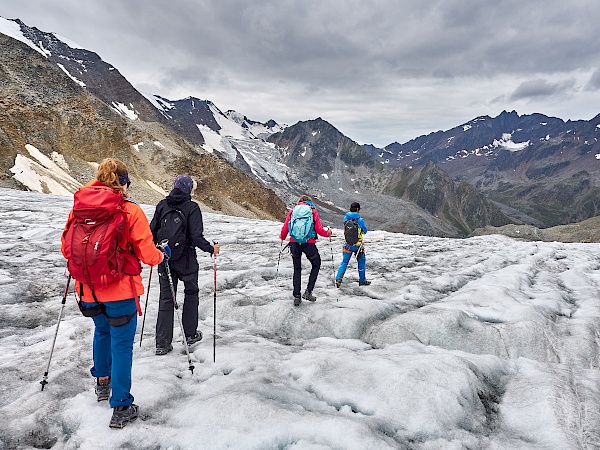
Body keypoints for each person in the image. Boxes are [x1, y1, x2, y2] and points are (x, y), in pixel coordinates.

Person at [61, 158, 165, 429]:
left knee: (102, 331)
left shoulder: (79, 208)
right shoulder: (129, 210)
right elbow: (147, 253)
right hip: (120, 290)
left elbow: (66, 247)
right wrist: (162, 255)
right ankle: (121, 405)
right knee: (121, 344)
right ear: (124, 181)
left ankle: (102, 382)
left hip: (88, 290)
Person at [150, 175, 220, 356]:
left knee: (166, 298)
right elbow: (196, 236)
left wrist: (155, 252)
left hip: (164, 258)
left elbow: (151, 232)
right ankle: (190, 334)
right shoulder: (192, 208)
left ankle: (162, 343)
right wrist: (211, 249)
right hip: (186, 260)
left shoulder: (162, 205)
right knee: (191, 293)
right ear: (189, 189)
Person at [279, 195, 332, 306]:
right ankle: (308, 291)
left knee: (297, 269)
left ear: (299, 202)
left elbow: (285, 228)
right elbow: (319, 229)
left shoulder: (293, 211)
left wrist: (282, 238)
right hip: (309, 244)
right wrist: (328, 233)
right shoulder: (312, 211)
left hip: (294, 243)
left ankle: (297, 296)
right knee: (316, 264)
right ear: (310, 202)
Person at [335, 202, 370, 287]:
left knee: (344, 262)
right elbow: (365, 231)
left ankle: (338, 279)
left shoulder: (345, 218)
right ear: (357, 209)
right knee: (361, 262)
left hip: (347, 244)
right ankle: (362, 281)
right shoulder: (360, 220)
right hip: (358, 245)